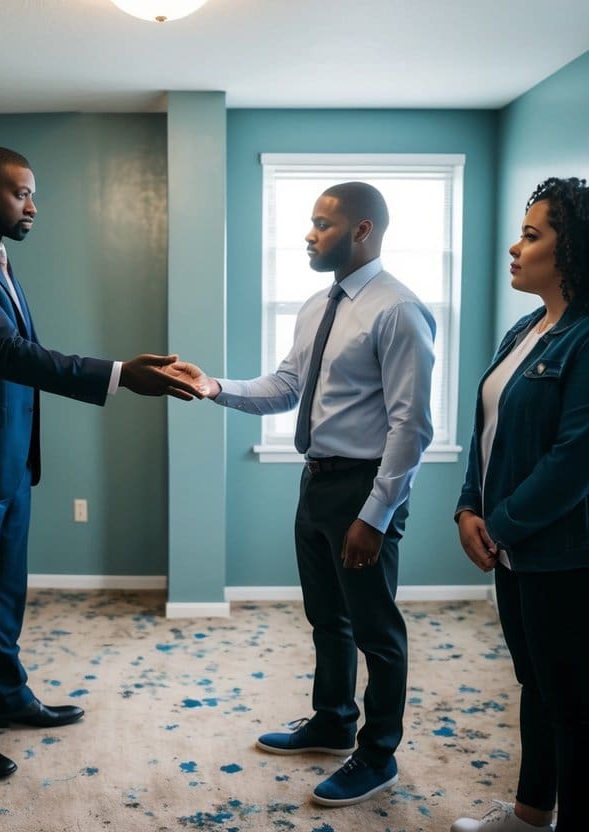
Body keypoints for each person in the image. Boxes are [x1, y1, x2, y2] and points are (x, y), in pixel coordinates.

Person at [0, 145, 202, 780]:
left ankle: (7, 698)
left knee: (4, 592)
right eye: (22, 194)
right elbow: (11, 354)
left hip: (10, 461)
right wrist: (121, 375)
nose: (33, 206)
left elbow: (19, 355)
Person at [170, 182, 435, 807]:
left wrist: (375, 515)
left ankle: (378, 756)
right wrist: (214, 386)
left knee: (377, 631)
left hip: (364, 488)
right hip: (315, 481)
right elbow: (289, 385)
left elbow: (412, 425)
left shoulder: (398, 309)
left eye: (322, 223)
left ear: (362, 230)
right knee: (327, 619)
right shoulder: (318, 305)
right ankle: (333, 721)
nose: (309, 234)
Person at [450, 178, 589, 832]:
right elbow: (486, 433)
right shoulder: (528, 328)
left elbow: (578, 460)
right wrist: (468, 507)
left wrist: (499, 528)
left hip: (577, 554)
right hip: (518, 545)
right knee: (536, 688)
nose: (515, 247)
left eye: (532, 234)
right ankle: (528, 816)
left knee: (574, 707)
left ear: (575, 249)